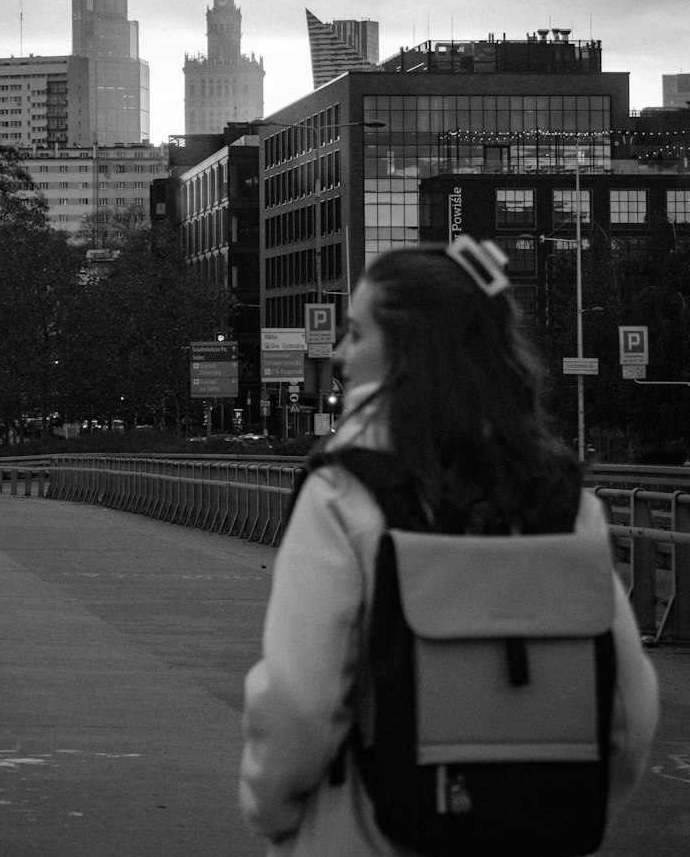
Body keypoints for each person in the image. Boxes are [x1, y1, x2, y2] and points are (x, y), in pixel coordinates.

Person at [240, 238, 659, 856]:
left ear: (409, 351)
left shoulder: (342, 493)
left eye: (356, 334)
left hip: (366, 833)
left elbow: (301, 704)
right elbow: (629, 711)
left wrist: (272, 814)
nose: (338, 353)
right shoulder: (564, 500)